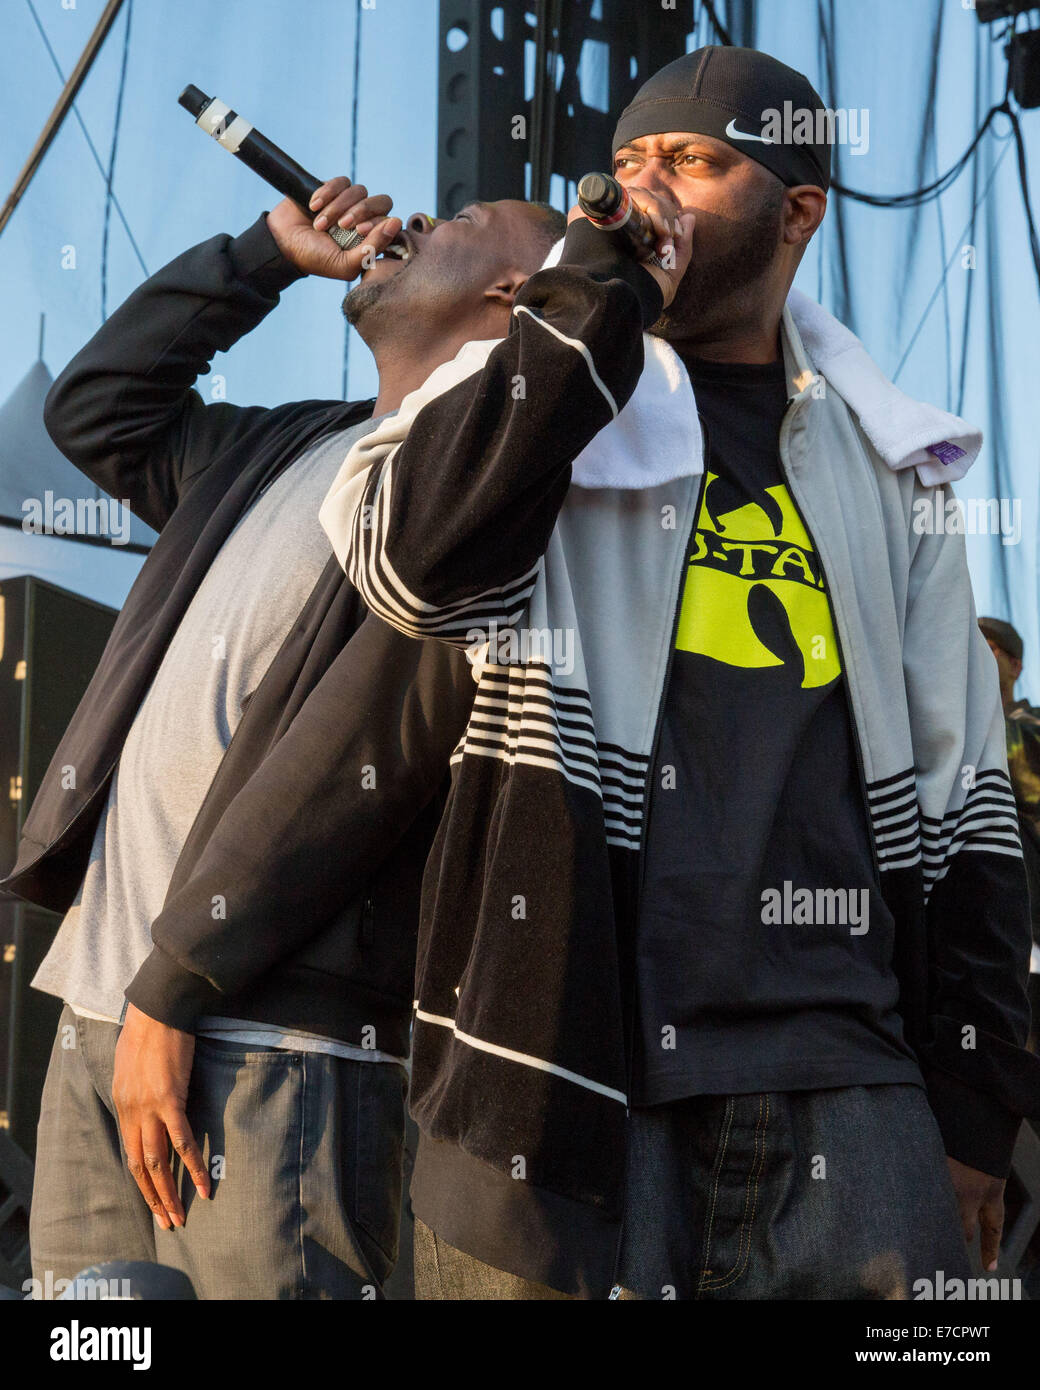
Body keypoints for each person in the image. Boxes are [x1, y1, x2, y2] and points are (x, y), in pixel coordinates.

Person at [320, 46, 1040, 1299]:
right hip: (563, 1065)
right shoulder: (536, 384)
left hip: (847, 1080)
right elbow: (412, 572)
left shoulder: (890, 461)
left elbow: (963, 789)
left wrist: (974, 1110)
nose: (640, 189)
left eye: (693, 163)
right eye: (625, 164)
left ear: (796, 209)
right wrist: (586, 309)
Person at [3, 179, 565, 1299]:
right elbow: (96, 410)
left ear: (509, 291)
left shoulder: (473, 510)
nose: (408, 224)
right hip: (102, 1011)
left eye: (456, 223)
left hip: (270, 1044)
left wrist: (184, 990)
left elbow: (351, 789)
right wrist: (262, 255)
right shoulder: (281, 444)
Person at [979, 616, 1040, 1045]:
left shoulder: (1025, 727)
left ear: (1015, 666)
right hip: (988, 932)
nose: (978, 656)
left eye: (990, 648)